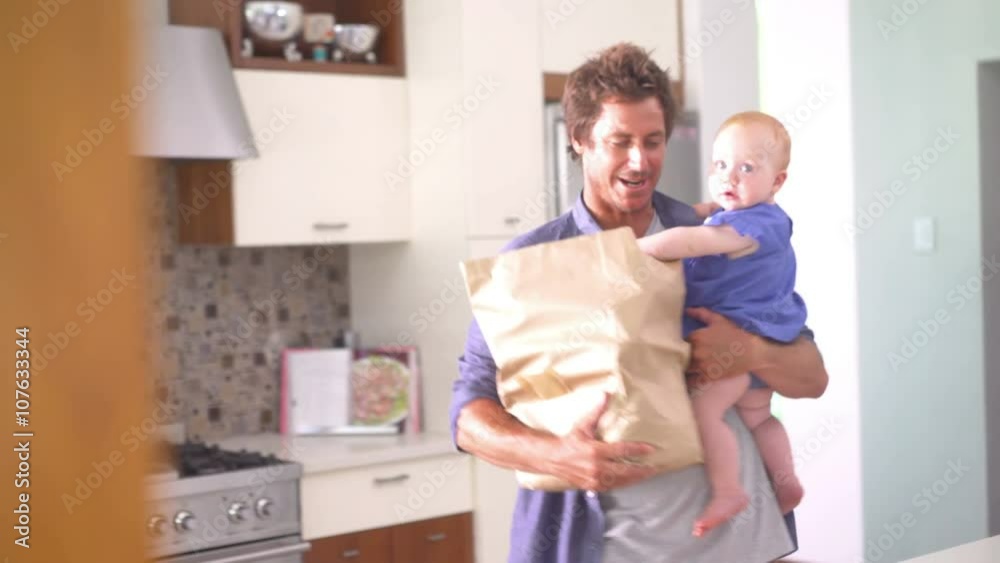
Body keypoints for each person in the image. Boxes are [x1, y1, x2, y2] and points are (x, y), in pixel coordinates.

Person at [450, 43, 828, 563]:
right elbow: (468, 412)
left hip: (745, 542)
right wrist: (555, 456)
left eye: (653, 141)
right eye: (619, 141)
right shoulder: (532, 264)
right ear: (580, 139)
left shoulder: (710, 232)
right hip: (609, 548)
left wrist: (751, 353)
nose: (640, 160)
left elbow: (812, 377)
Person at [636, 111, 807, 538]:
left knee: (706, 411)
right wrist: (697, 211)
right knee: (758, 417)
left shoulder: (750, 225)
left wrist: (639, 247)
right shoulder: (761, 218)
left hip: (736, 340)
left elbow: (695, 241)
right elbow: (707, 224)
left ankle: (728, 491)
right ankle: (786, 481)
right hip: (768, 333)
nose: (729, 176)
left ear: (777, 181)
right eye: (721, 164)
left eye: (746, 168)